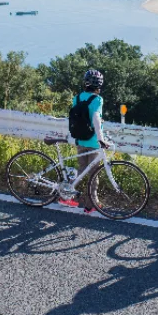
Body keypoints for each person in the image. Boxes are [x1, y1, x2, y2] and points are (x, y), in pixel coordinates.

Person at [62, 69, 108, 213]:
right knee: (93, 175)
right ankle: (91, 205)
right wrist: (101, 139)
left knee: (81, 171)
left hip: (80, 140)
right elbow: (95, 117)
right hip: (94, 142)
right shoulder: (97, 100)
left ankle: (66, 194)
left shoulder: (77, 97)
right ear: (99, 85)